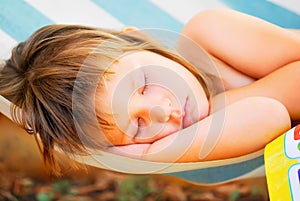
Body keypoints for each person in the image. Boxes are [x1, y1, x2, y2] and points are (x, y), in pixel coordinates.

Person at [0, 8, 299, 174]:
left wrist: (146, 147)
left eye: (144, 84)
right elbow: (269, 115)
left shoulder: (209, 31)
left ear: (137, 38)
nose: (162, 110)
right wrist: (148, 155)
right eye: (139, 127)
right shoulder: (203, 133)